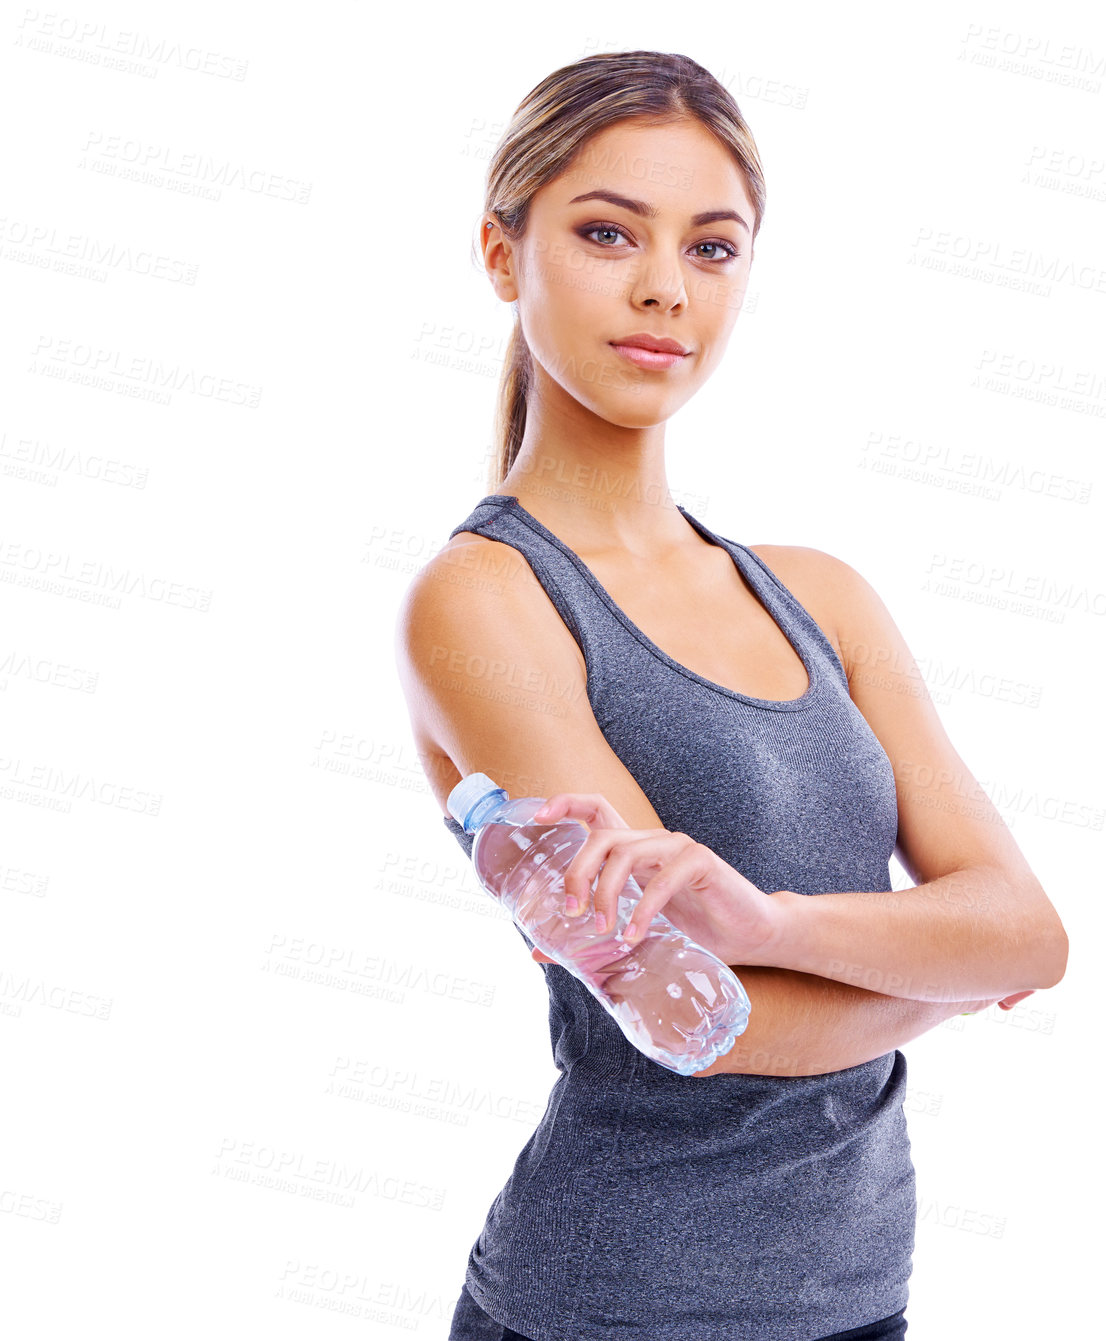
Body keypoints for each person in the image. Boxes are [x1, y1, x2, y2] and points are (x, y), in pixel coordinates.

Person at [393, 50, 1068, 1341]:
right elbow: (700, 1017)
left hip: (854, 1300)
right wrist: (947, 973)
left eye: (711, 248)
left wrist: (769, 917)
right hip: (612, 1306)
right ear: (500, 254)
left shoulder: (822, 595)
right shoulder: (481, 601)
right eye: (605, 232)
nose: (662, 286)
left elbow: (1029, 931)